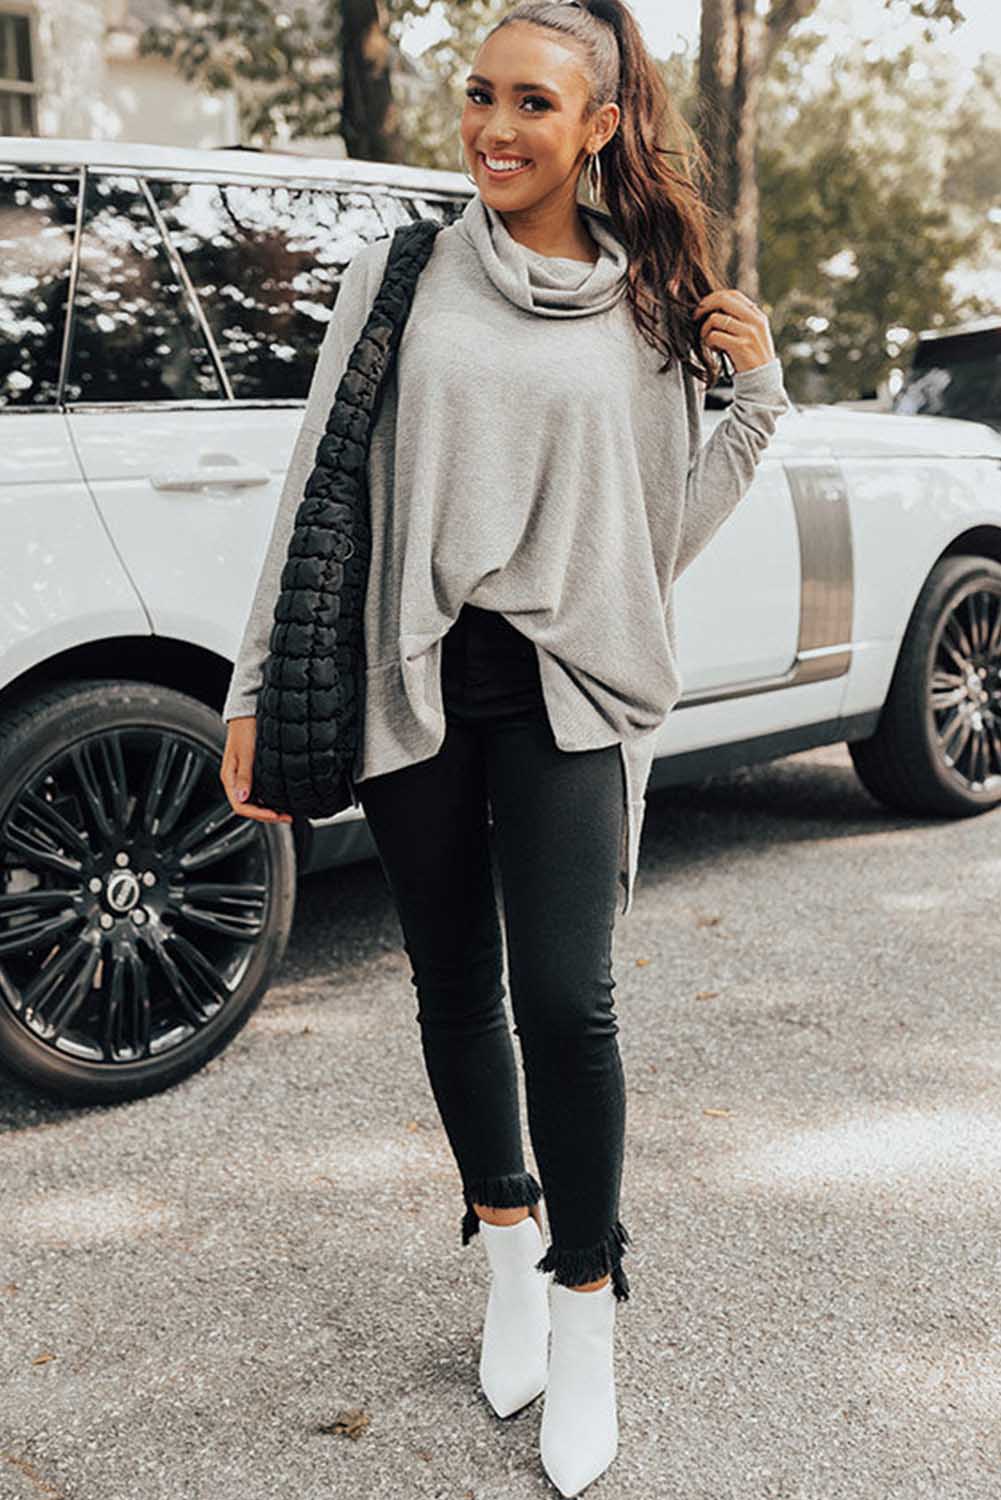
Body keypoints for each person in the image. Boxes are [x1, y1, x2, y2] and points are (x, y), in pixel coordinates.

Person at [219, 1, 791, 1493]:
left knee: (568, 1001)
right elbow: (316, 491)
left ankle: (583, 1307)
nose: (495, 126)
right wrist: (246, 688)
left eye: (534, 102)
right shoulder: (398, 276)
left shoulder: (648, 307)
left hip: (568, 694)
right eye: (479, 94)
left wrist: (758, 398)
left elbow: (651, 535)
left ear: (598, 125)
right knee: (453, 990)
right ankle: (501, 1242)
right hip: (412, 680)